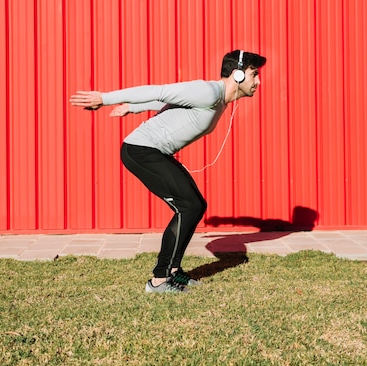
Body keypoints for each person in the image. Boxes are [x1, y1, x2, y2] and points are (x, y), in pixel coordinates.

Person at [69, 50, 267, 293]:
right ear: (237, 75)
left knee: (195, 205)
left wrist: (131, 107)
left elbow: (170, 101)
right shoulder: (208, 92)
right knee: (189, 206)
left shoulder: (220, 100)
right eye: (254, 74)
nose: (258, 82)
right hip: (141, 151)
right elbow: (159, 91)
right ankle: (159, 280)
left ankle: (173, 272)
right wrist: (105, 98)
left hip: (154, 152)